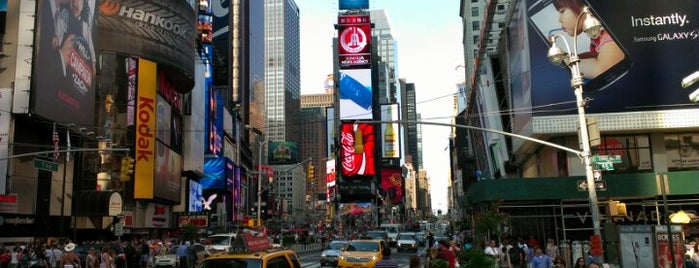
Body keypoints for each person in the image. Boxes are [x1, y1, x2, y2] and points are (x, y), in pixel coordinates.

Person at [553, 0, 624, 79]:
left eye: (562, 11)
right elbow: (596, 55)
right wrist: (565, 55)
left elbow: (602, 69)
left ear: (587, 7)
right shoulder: (598, 36)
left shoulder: (608, 34)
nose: (559, 20)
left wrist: (565, 61)